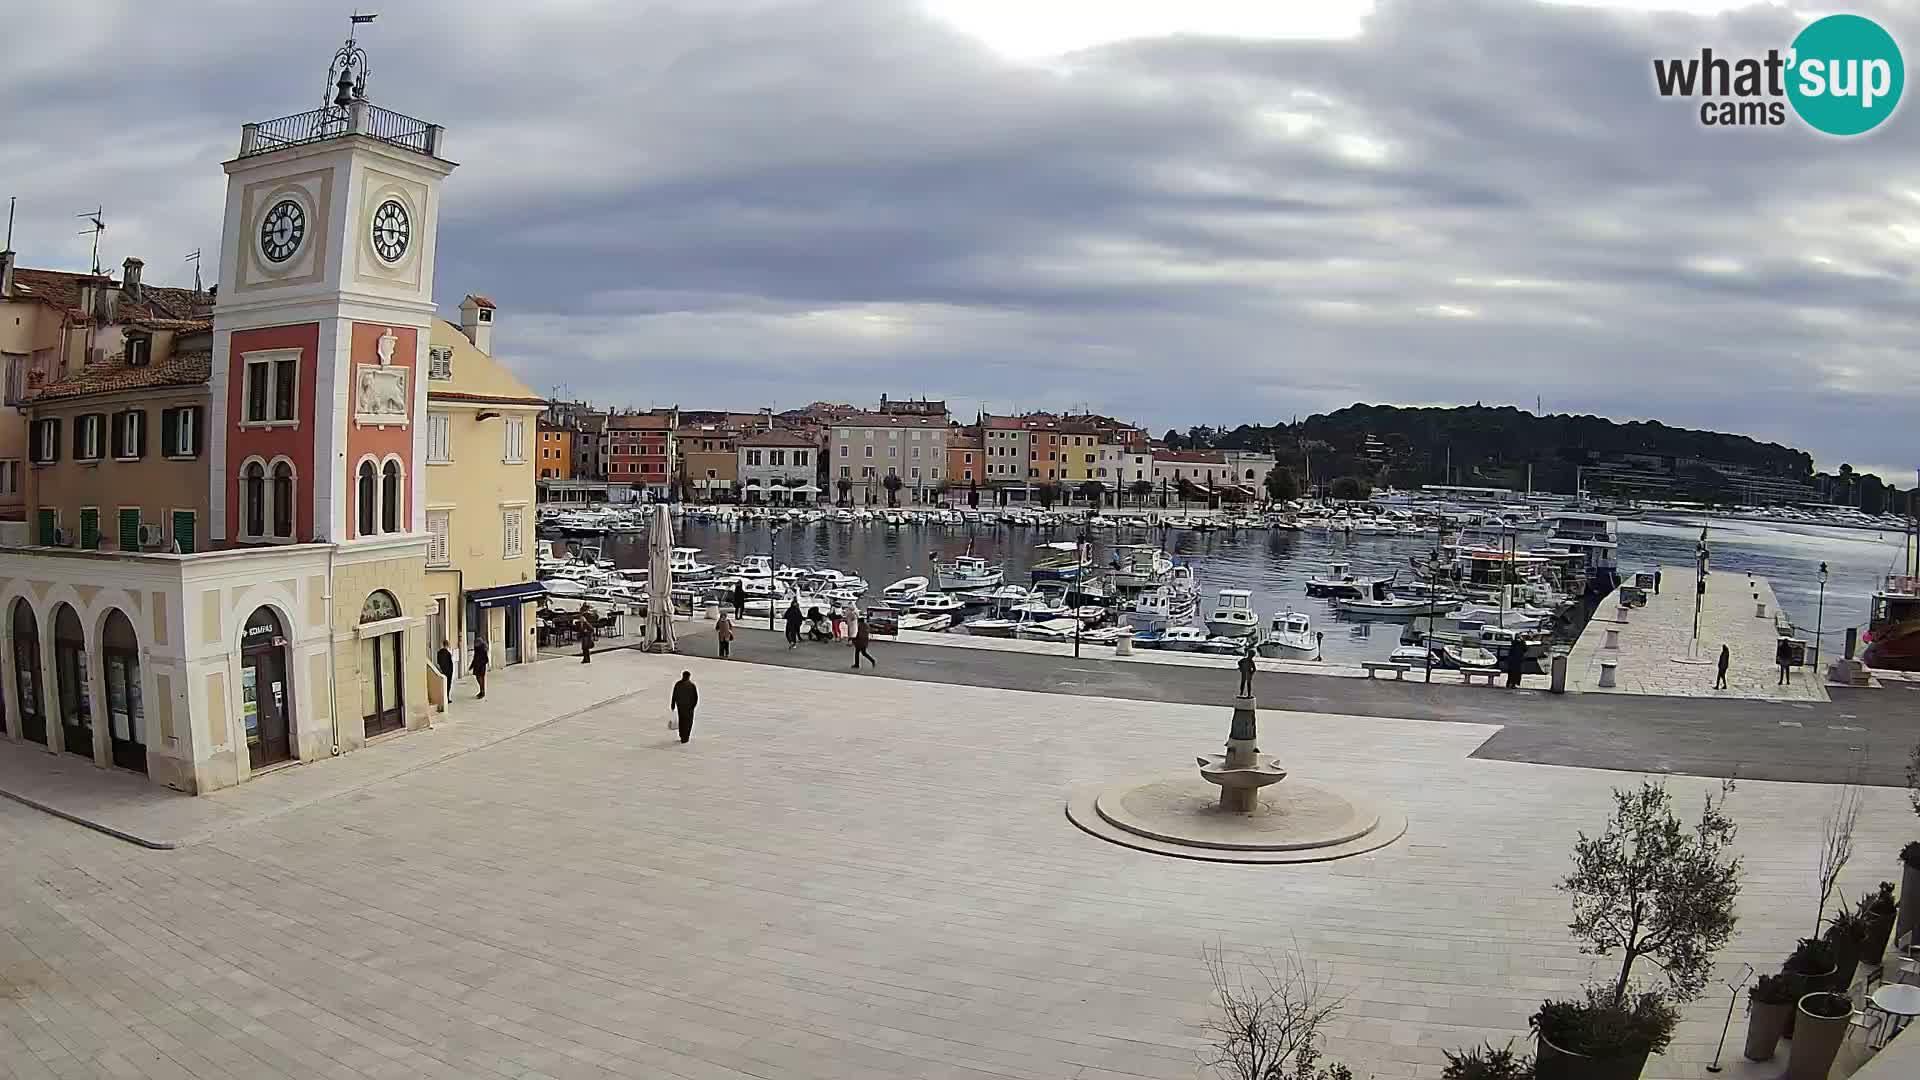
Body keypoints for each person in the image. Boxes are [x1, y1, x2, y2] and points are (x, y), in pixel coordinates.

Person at [670, 670, 698, 743]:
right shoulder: (690, 685)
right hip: (685, 707)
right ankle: (684, 736)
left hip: (685, 707)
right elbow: (674, 694)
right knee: (685, 722)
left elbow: (695, 697)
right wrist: (673, 703)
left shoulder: (682, 684)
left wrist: (673, 704)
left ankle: (684, 736)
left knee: (685, 722)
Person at [469, 635, 490, 699]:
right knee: (482, 679)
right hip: (482, 666)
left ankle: (482, 692)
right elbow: (486, 659)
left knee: (479, 678)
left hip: (478, 666)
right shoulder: (484, 648)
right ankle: (482, 692)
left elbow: (475, 658)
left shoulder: (479, 649)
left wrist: (472, 666)